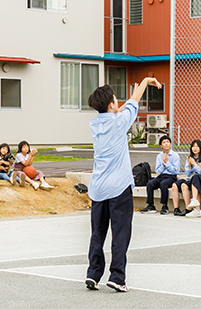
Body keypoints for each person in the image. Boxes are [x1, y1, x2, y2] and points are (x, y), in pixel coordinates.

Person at [84, 77, 161, 293]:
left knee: (97, 233)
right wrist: (145, 81)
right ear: (111, 104)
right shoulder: (119, 123)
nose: (118, 101)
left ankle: (93, 273)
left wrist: (127, 100)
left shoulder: (95, 124)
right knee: (120, 233)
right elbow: (134, 101)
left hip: (98, 188)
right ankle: (117, 277)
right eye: (115, 99)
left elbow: (125, 106)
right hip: (118, 188)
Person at [140, 135, 180, 215]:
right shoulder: (159, 156)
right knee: (150, 183)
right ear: (161, 145)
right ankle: (151, 205)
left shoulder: (175, 156)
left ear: (170, 144)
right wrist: (163, 165)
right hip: (161, 176)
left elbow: (176, 171)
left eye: (168, 142)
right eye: (164, 143)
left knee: (163, 184)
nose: (166, 144)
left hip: (171, 177)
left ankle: (165, 206)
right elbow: (157, 171)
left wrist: (167, 163)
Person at [172, 139, 201, 216]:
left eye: (197, 146)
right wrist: (190, 166)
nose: (195, 148)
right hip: (190, 178)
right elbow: (188, 173)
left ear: (200, 148)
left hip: (200, 179)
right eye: (193, 146)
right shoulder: (189, 158)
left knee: (186, 184)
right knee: (178, 185)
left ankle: (189, 208)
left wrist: (194, 164)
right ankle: (182, 208)